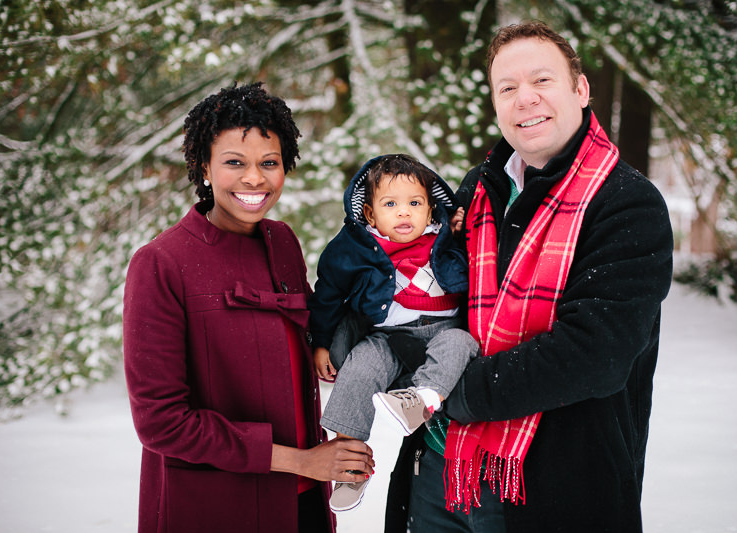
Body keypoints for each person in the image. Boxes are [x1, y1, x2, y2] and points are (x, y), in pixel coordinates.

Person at [385, 21, 674, 533]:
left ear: (580, 90)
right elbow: (426, 292)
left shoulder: (627, 202)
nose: (525, 99)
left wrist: (451, 391)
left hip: (549, 487)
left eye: (542, 81)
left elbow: (595, 353)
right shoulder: (477, 190)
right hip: (439, 471)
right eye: (508, 87)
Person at [122, 82, 374, 533]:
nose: (255, 179)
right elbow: (161, 423)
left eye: (269, 163)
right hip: (213, 508)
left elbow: (315, 336)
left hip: (304, 505)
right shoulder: (160, 263)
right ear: (204, 167)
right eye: (234, 162)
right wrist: (301, 460)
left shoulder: (282, 242)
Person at [308, 154, 479, 512]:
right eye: (390, 204)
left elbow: (481, 247)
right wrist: (322, 342)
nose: (404, 213)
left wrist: (463, 223)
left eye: (414, 203)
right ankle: (350, 464)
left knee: (460, 344)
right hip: (387, 335)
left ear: (430, 207)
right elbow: (327, 293)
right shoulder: (356, 246)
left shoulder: (444, 237)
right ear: (370, 214)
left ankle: (423, 399)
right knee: (360, 366)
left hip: (444, 328)